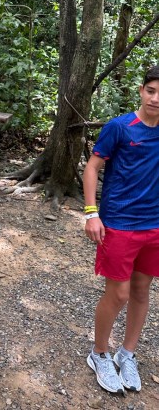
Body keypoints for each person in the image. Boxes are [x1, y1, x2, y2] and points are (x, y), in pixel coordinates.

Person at [83, 65, 159, 395]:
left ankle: (127, 354)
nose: (156, 99)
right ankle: (99, 353)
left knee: (142, 291)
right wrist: (91, 213)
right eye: (151, 91)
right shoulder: (119, 127)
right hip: (119, 224)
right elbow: (92, 167)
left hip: (154, 226)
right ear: (141, 91)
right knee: (119, 294)